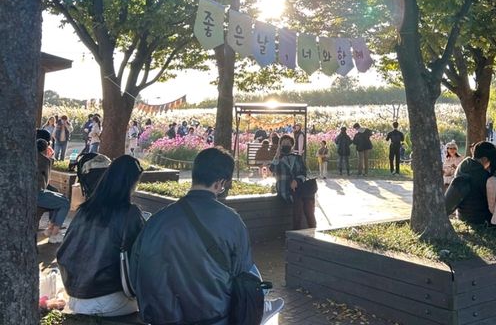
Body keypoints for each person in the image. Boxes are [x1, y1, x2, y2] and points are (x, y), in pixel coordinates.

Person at [130, 147, 284, 325]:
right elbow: (243, 274)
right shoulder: (231, 221)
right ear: (220, 183)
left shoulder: (157, 221)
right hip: (215, 317)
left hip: (161, 318)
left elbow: (136, 274)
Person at [57, 156, 145, 317]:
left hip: (76, 297)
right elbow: (143, 255)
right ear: (131, 183)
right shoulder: (130, 213)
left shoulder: (84, 209)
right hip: (109, 298)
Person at [270, 134, 316, 230]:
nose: (286, 145)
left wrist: (297, 180)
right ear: (280, 145)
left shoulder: (297, 158)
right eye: (284, 143)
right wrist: (277, 156)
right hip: (286, 188)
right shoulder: (278, 159)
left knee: (308, 204)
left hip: (299, 187)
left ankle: (313, 229)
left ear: (292, 145)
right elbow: (272, 169)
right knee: (298, 203)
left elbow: (303, 172)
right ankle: (297, 231)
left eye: (288, 143)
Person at [445, 141, 496, 224]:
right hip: (480, 218)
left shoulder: (462, 166)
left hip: (462, 215)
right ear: (485, 159)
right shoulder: (483, 175)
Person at [37, 138, 70, 244]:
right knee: (65, 203)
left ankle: (50, 229)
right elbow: (45, 183)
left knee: (61, 198)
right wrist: (49, 159)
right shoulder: (44, 160)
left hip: (33, 192)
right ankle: (54, 234)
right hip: (37, 194)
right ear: (46, 149)